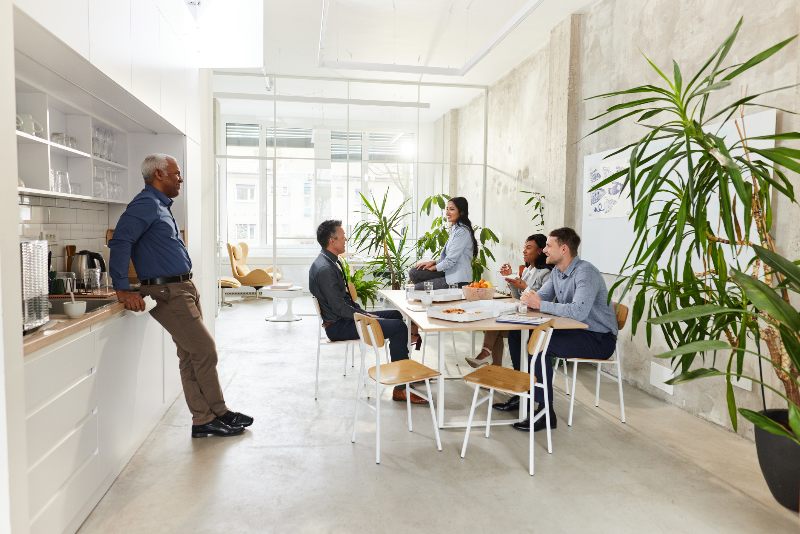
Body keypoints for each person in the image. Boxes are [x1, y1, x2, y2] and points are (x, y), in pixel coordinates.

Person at [109, 154, 253, 438]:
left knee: (190, 355)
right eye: (176, 174)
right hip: (168, 292)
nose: (181, 178)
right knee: (205, 350)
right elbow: (121, 240)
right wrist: (122, 287)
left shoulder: (160, 205)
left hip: (183, 288)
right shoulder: (145, 204)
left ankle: (207, 418)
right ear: (159, 174)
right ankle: (215, 412)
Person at [497, 227, 618, 433]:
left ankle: (545, 412)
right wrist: (527, 298)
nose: (544, 250)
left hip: (598, 338)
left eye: (548, 246)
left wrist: (538, 303)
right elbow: (540, 297)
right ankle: (523, 393)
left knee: (540, 346)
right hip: (575, 331)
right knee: (517, 334)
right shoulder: (557, 273)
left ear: (563, 249)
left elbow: (578, 311)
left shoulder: (585, 272)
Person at [309, 220, 427, 404]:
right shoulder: (325, 268)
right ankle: (401, 389)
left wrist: (364, 313)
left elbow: (342, 302)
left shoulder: (329, 261)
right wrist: (366, 316)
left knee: (396, 315)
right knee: (398, 327)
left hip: (344, 319)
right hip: (338, 326)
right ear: (332, 241)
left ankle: (404, 371)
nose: (346, 239)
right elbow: (339, 308)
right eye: (342, 236)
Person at [465, 234, 552, 369]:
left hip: (535, 322)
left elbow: (543, 301)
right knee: (495, 324)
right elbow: (517, 297)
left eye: (529, 248)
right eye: (524, 247)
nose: (524, 251)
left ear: (540, 251)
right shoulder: (527, 271)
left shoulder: (546, 273)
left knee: (496, 324)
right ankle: (494, 365)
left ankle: (488, 357)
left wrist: (524, 287)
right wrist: (511, 279)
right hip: (524, 316)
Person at [409, 196, 477, 291]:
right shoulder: (455, 228)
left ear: (461, 212)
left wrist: (434, 268)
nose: (447, 213)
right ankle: (434, 290)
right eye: (447, 209)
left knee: (417, 288)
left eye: (452, 209)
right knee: (414, 272)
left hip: (457, 279)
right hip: (448, 272)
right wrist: (433, 262)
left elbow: (450, 261)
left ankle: (442, 291)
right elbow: (448, 258)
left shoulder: (462, 231)